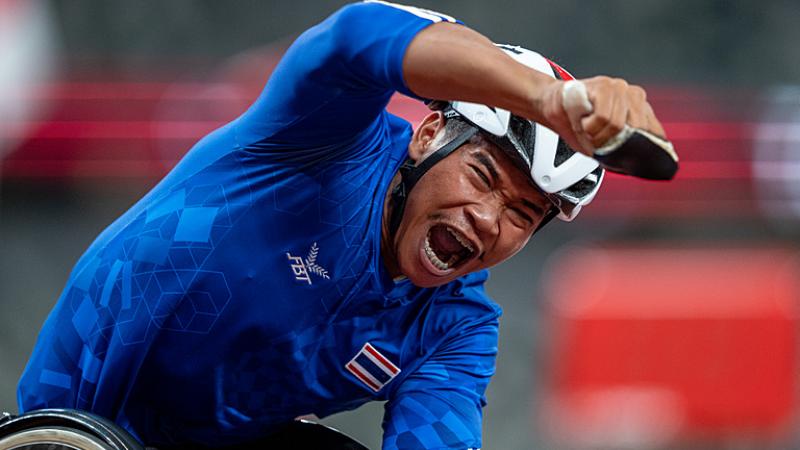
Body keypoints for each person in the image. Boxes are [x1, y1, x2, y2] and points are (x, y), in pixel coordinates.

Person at [17, 2, 670, 449]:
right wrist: (549, 101)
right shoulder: (320, 141)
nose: (487, 219)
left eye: (522, 215)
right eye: (482, 178)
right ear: (431, 133)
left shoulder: (456, 331)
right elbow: (360, 35)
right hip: (70, 422)